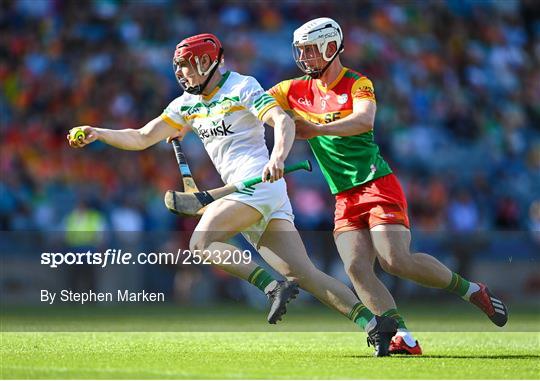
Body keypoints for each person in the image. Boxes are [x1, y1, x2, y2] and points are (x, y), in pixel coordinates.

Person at [68, 33, 399, 356]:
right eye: (177, 67)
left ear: (206, 62)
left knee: (201, 243)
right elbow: (141, 137)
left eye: (185, 65)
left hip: (259, 184)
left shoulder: (242, 87)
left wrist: (278, 157)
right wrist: (98, 133)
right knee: (304, 274)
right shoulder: (186, 105)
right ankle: (374, 325)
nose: (180, 73)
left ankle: (271, 287)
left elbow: (281, 121)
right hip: (249, 193)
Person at [268, 18, 509, 355]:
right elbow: (256, 105)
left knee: (395, 260)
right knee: (356, 268)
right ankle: (402, 336)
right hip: (343, 196)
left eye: (310, 49)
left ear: (330, 46)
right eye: (301, 50)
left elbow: (365, 120)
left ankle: (471, 290)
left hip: (376, 185)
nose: (304, 57)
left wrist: (315, 128)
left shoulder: (357, 83)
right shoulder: (292, 89)